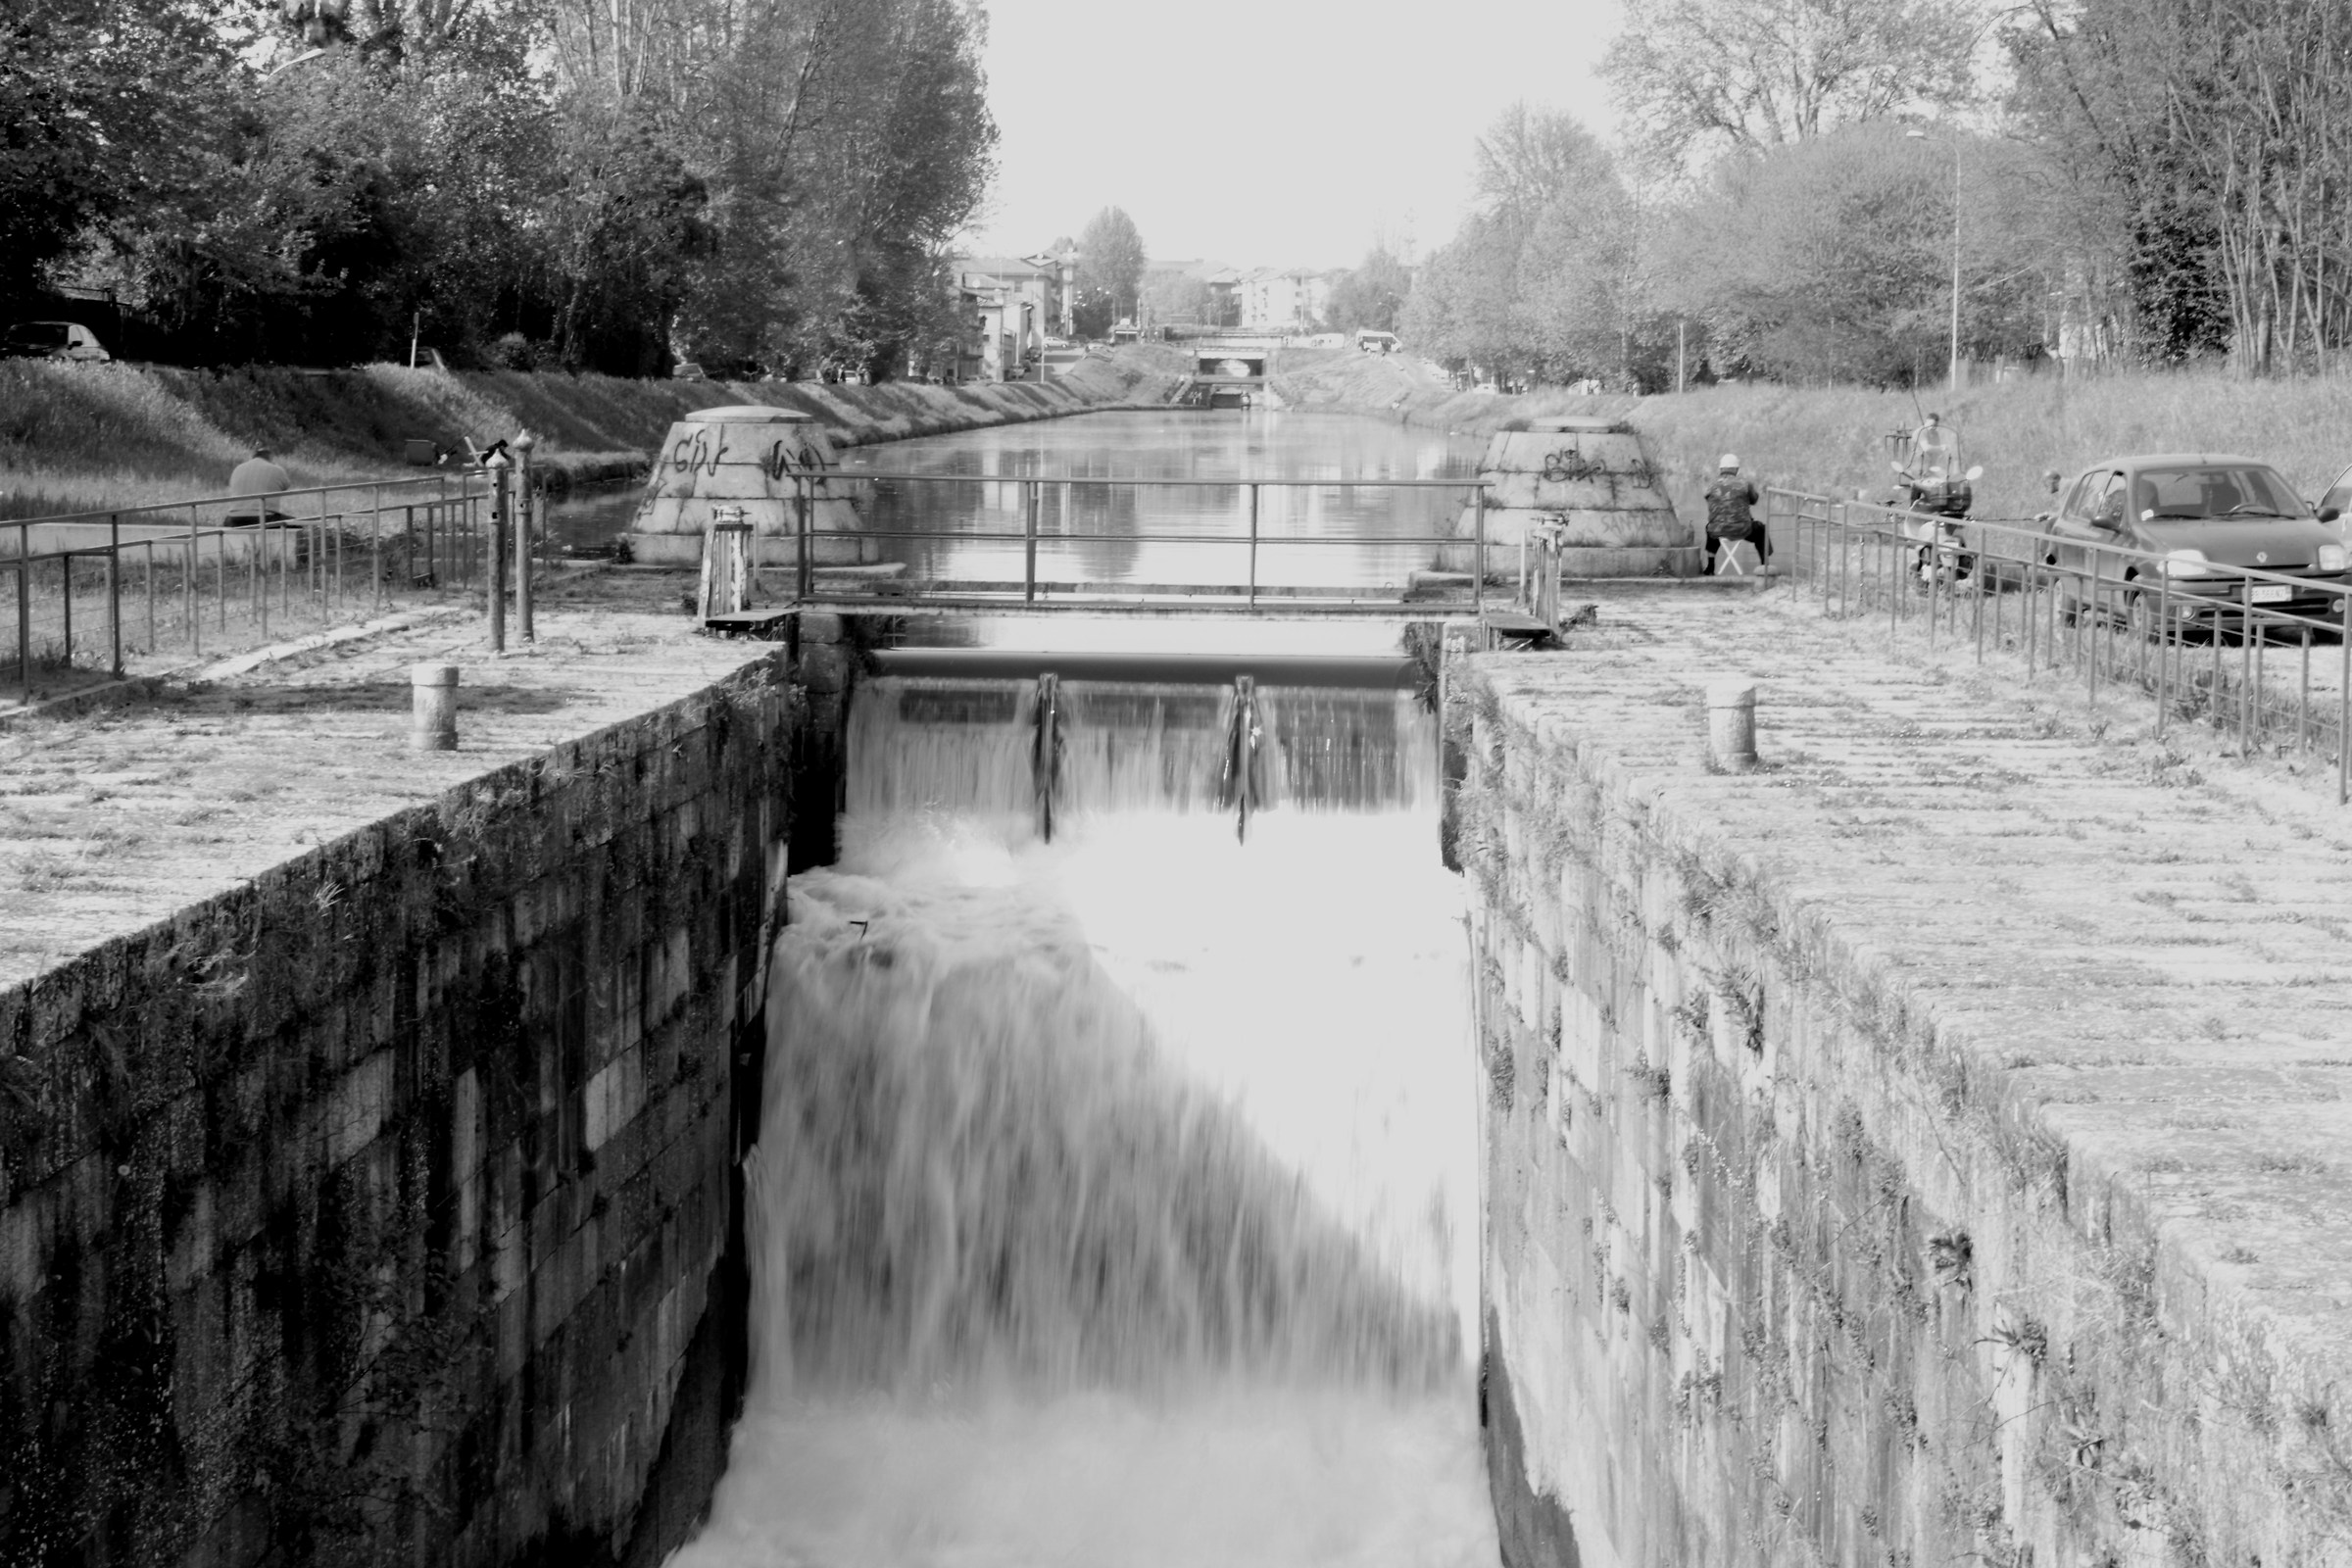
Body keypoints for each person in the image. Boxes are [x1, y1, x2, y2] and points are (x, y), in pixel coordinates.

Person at [1704, 453, 1766, 572]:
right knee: (1761, 529)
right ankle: (1764, 566)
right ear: (1736, 469)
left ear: (1721, 469)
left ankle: (1710, 566)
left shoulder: (1711, 485)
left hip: (1717, 530)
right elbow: (1754, 500)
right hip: (1743, 529)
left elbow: (1708, 499)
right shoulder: (1745, 484)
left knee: (1710, 527)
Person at [225, 446, 292, 526]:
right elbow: (286, 486)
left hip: (233, 518)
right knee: (299, 523)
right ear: (270, 457)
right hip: (265, 517)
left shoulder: (238, 468)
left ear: (253, 457)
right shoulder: (276, 469)